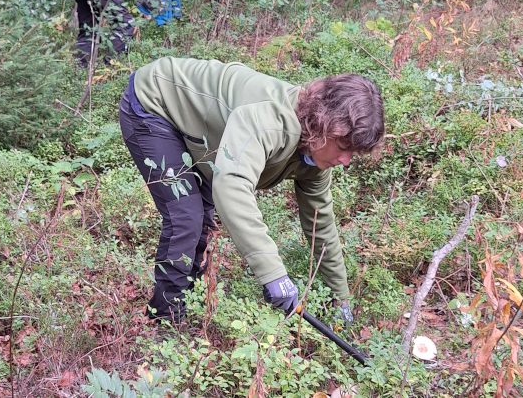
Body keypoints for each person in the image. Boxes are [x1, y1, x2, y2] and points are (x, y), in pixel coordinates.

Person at [119, 56, 385, 324]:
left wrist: (340, 297)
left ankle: (192, 305)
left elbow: (321, 224)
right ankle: (166, 319)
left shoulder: (316, 155)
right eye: (343, 148)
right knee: (186, 217)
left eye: (353, 153)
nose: (346, 161)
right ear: (325, 126)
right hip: (156, 102)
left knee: (202, 221)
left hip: (202, 130)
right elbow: (232, 184)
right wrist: (274, 274)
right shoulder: (271, 121)